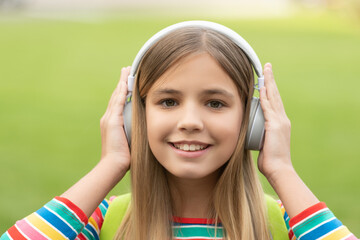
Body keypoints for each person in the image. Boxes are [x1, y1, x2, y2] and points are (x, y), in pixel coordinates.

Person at [1, 21, 358, 240]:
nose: (190, 121)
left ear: (254, 121)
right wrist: (110, 163)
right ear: (132, 118)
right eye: (168, 101)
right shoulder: (103, 221)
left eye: (215, 103)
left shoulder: (287, 223)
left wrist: (282, 169)